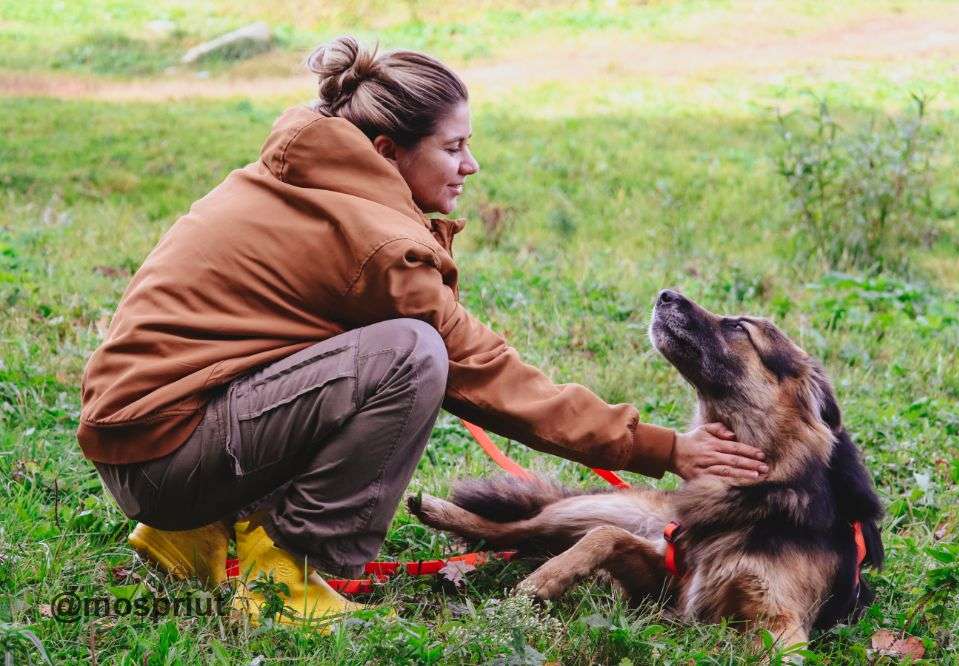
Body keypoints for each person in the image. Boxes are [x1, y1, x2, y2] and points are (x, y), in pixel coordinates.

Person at [77, 36, 769, 630]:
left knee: (358, 352)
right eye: (454, 147)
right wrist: (664, 447)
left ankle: (189, 538)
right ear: (387, 151)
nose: (470, 167)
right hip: (167, 457)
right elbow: (484, 373)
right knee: (411, 356)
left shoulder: (298, 178)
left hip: (149, 443)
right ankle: (284, 579)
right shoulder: (373, 240)